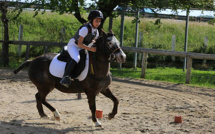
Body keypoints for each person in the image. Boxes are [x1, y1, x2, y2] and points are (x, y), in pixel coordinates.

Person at [60, 10, 103, 88]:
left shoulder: (96, 32)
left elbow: (92, 42)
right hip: (74, 46)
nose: (98, 23)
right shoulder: (85, 29)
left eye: (99, 21)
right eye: (96, 21)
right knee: (77, 58)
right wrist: (90, 49)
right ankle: (65, 77)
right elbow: (79, 43)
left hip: (82, 47)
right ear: (91, 19)